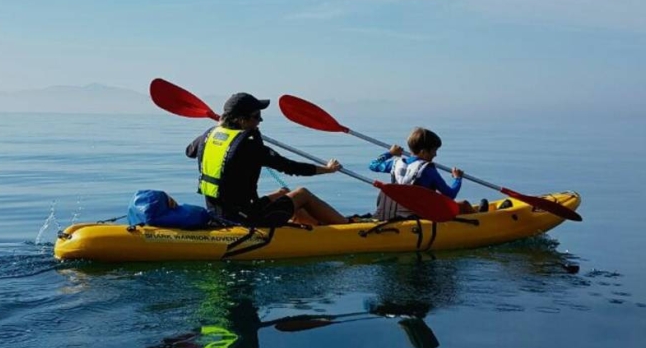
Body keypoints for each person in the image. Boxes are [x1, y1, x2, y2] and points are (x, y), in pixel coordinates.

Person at [186, 92, 348, 227]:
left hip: (219, 215)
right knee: (302, 194)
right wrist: (327, 170)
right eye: (256, 116)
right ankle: (349, 229)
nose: (260, 121)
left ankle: (317, 229)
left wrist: (222, 126)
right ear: (241, 120)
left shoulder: (208, 137)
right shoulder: (249, 146)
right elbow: (290, 167)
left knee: (283, 194)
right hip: (246, 219)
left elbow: (190, 151)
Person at [369, 127, 487, 219]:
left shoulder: (395, 164)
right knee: (464, 205)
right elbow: (450, 195)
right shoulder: (428, 169)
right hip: (422, 213)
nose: (435, 155)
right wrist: (457, 179)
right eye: (434, 151)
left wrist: (390, 153)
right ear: (424, 152)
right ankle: (481, 218)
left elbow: (373, 165)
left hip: (399, 211)